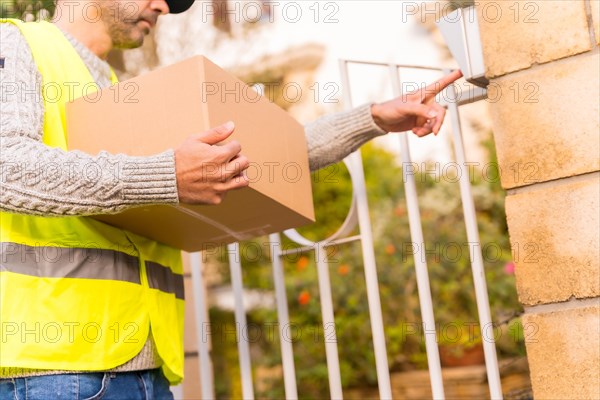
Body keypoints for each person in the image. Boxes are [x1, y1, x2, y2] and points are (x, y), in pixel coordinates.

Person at [0, 0, 462, 398]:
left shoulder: (116, 93)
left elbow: (259, 157)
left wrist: (373, 119)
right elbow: (7, 169)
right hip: (52, 370)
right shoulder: (17, 45)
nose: (164, 7)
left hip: (144, 368)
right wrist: (166, 175)